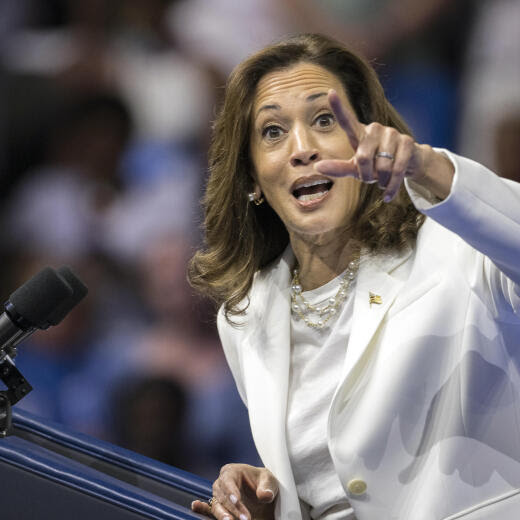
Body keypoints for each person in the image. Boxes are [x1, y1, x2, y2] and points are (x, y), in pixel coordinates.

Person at [188, 33, 520, 520]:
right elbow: (341, 485)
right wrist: (274, 501)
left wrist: (428, 167)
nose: (302, 148)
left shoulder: (458, 248)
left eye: (324, 120)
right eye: (273, 132)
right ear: (252, 179)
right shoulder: (245, 316)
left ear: (370, 139)